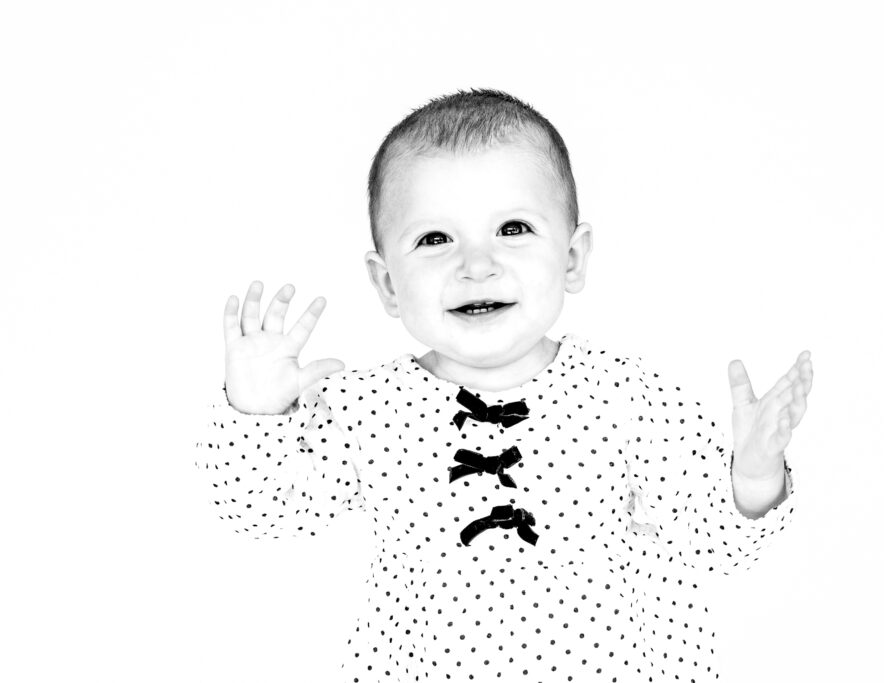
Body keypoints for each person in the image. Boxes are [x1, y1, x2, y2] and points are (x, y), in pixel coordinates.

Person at [194, 88, 813, 682]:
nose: (475, 263)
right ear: (387, 284)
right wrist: (257, 412)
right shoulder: (365, 408)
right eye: (434, 239)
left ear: (572, 259)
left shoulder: (632, 397)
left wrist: (753, 476)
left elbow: (716, 549)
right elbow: (262, 513)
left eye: (512, 229)